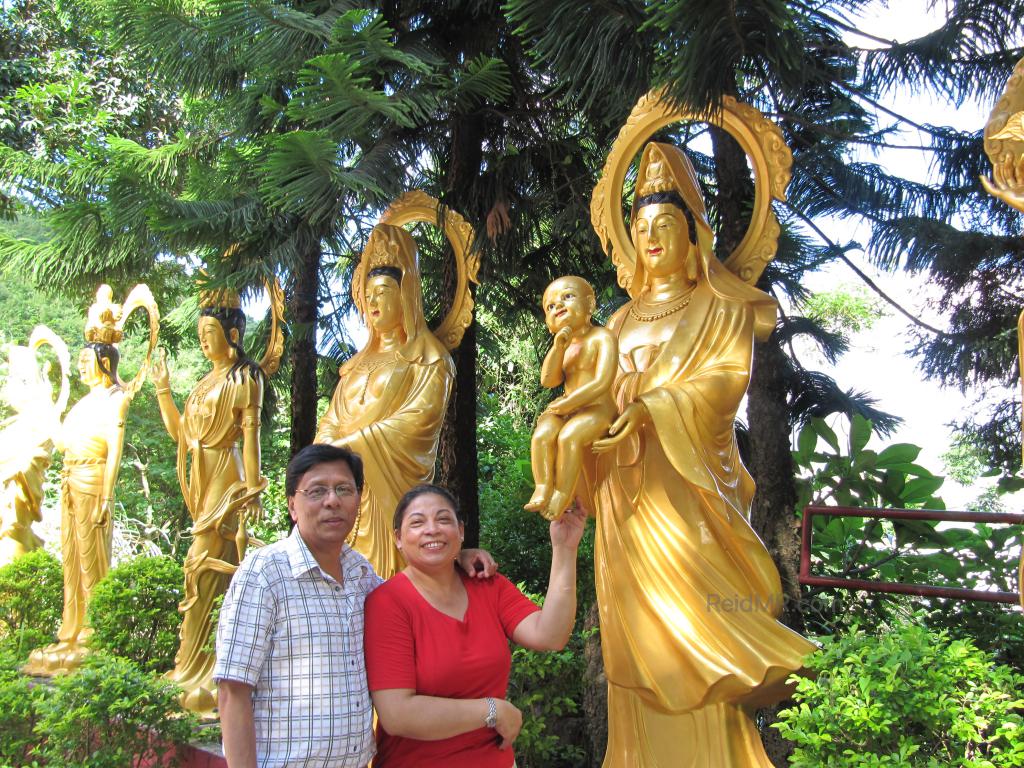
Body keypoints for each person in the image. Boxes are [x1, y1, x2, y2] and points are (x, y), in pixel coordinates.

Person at [588, 142, 815, 766]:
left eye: (667, 225)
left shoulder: (719, 306)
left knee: (698, 633)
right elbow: (592, 393)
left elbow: (720, 386)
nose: (653, 237)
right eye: (640, 228)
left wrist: (652, 405)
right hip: (627, 500)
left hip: (687, 496)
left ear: (695, 237)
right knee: (635, 642)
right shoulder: (617, 321)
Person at [214, 444, 496, 768]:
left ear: (358, 502)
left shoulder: (361, 574)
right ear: (293, 505)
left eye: (343, 489)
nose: (332, 500)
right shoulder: (265, 573)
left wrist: (451, 557)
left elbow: (416, 595)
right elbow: (233, 690)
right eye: (317, 490)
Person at [364, 483, 586, 768]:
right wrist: (492, 711)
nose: (432, 529)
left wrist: (565, 547)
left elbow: (550, 635)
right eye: (417, 523)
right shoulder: (388, 602)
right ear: (398, 538)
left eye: (443, 519)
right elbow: (398, 714)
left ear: (461, 531)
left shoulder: (487, 584)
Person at [151, 288, 268, 716]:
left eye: (211, 331)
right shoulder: (205, 383)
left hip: (226, 476)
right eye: (201, 332)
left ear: (233, 333)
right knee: (200, 569)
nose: (204, 340)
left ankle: (208, 667)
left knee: (203, 567)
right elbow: (182, 435)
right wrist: (164, 391)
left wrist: (251, 488)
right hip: (202, 477)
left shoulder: (245, 377)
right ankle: (190, 664)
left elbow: (250, 436)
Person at [316, 223, 454, 580]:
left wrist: (352, 447)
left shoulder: (428, 359)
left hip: (386, 489)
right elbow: (332, 418)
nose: (373, 302)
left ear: (405, 294)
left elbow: (419, 421)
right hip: (343, 492)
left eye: (383, 291)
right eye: (368, 294)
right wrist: (327, 450)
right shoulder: (355, 365)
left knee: (381, 585)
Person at [25, 287, 132, 675]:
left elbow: (115, 449)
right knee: (70, 556)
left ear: (106, 362)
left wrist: (107, 494)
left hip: (92, 480)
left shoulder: (115, 398)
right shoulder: (83, 404)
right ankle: (70, 626)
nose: (84, 367)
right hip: (70, 480)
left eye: (90, 360)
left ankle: (93, 632)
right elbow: (63, 441)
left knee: (91, 558)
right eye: (83, 360)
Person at [525, 275, 617, 520]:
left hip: (598, 409)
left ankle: (562, 493)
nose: (559, 307)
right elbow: (548, 380)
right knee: (542, 435)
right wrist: (558, 348)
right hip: (568, 408)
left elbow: (601, 382)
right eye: (551, 306)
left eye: (567, 297)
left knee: (569, 436)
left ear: (590, 304)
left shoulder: (602, 337)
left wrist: (569, 403)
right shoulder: (563, 345)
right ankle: (543, 486)